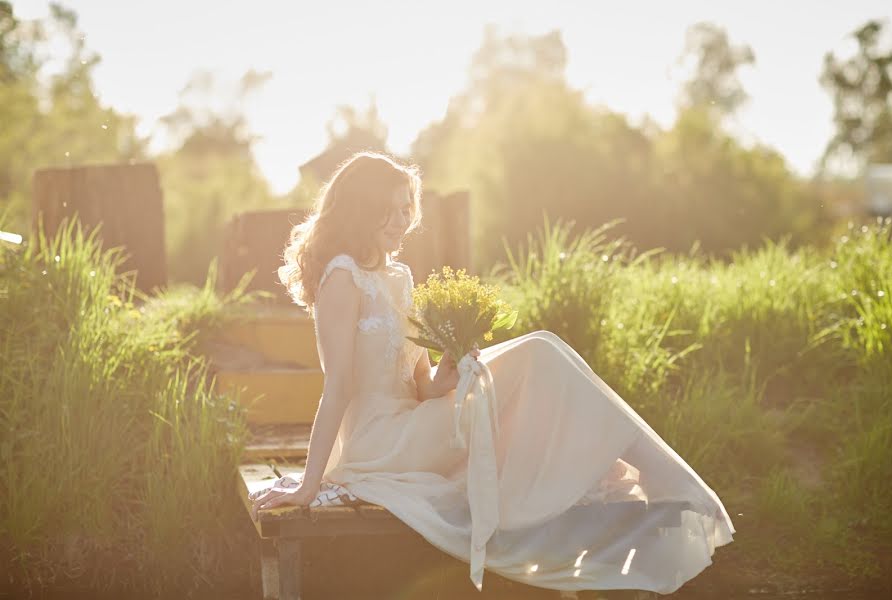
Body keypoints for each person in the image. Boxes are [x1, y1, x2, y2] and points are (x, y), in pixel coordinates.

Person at [252, 151, 735, 595]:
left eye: (408, 209)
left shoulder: (398, 278)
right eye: (395, 209)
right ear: (363, 207)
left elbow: (422, 387)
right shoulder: (341, 278)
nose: (406, 221)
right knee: (540, 351)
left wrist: (452, 369)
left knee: (539, 354)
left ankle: (650, 476)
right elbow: (336, 388)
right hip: (379, 445)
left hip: (415, 426)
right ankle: (660, 476)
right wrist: (308, 484)